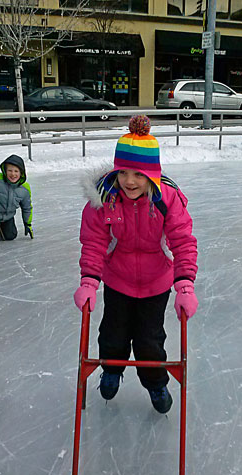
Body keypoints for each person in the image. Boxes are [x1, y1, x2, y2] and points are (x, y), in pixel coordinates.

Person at [74, 115, 198, 414]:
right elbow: (94, 242)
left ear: (152, 176)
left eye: (139, 175)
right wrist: (89, 282)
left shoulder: (166, 200)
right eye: (124, 172)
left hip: (157, 284)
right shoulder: (105, 201)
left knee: (149, 343)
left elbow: (182, 242)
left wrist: (184, 284)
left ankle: (156, 384)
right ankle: (112, 370)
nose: (130, 181)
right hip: (118, 281)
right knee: (112, 336)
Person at [0, 154, 33, 243]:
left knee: (10, 235)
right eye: (10, 171)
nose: (13, 174)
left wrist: (27, 224)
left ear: (21, 173)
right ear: (5, 171)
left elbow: (27, 208)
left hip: (7, 216)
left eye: (16, 171)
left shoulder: (24, 189)